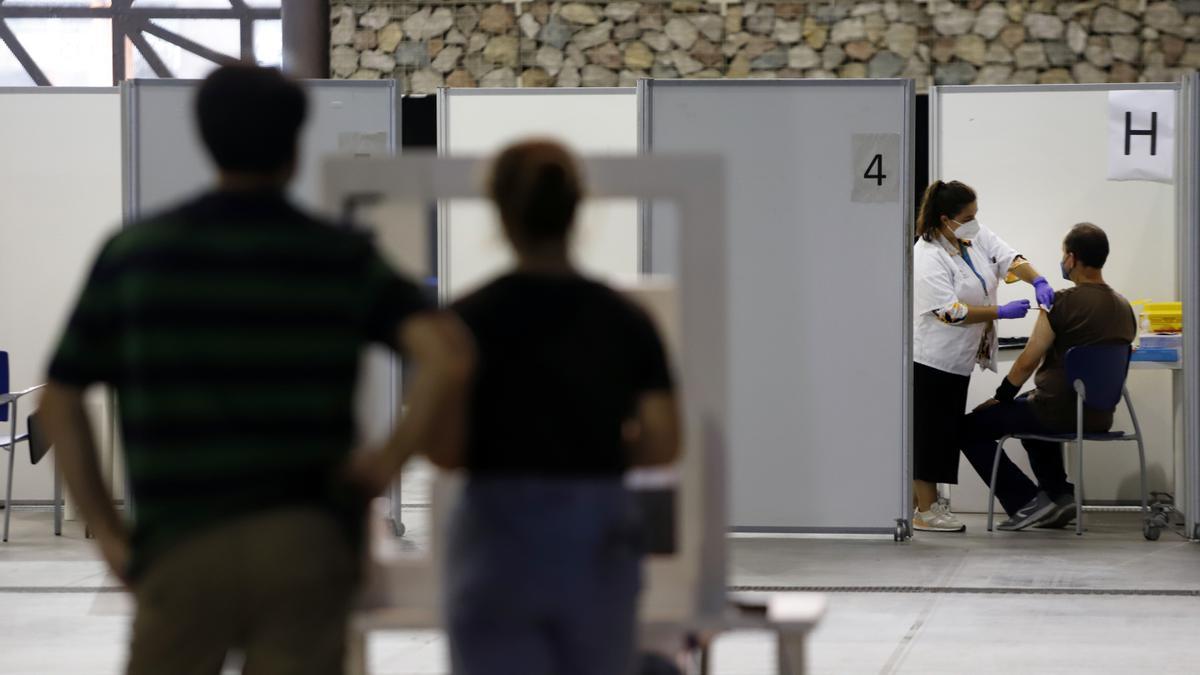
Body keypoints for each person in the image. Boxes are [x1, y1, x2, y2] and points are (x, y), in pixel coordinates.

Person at [38, 65, 473, 675]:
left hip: (181, 541)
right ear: (294, 149)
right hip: (305, 539)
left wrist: (109, 534)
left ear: (205, 138)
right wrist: (386, 462)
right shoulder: (338, 255)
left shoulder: (138, 254)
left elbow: (58, 401)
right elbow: (446, 354)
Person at [433, 139, 681, 675]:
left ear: (499, 212)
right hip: (596, 529)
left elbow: (445, 450)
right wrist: (597, 444)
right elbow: (664, 441)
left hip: (495, 535)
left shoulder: (463, 320)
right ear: (577, 208)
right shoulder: (625, 320)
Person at [960, 223, 1136, 531]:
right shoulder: (1124, 307)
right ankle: (1059, 495)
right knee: (1029, 408)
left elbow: (1029, 360)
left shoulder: (1061, 302)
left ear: (1070, 258)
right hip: (1098, 415)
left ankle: (1026, 502)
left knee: (967, 428)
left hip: (1056, 410)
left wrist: (1001, 397)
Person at [912, 180, 1056, 533]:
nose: (975, 222)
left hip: (957, 359)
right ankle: (925, 511)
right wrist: (999, 312)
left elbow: (1008, 257)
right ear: (945, 219)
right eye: (968, 216)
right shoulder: (926, 256)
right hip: (931, 357)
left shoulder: (970, 236)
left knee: (943, 431)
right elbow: (949, 312)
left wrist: (1037, 280)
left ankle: (924, 505)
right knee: (929, 435)